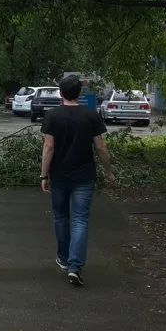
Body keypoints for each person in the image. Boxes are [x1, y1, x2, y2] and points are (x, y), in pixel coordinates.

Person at [40, 75, 115, 286]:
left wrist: (44, 175)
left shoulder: (52, 116)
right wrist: (108, 171)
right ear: (79, 93)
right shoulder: (91, 115)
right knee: (80, 220)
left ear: (61, 93)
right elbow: (100, 147)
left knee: (61, 217)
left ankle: (64, 259)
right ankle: (75, 267)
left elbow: (49, 148)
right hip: (84, 177)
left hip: (59, 176)